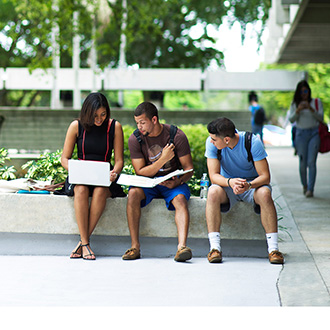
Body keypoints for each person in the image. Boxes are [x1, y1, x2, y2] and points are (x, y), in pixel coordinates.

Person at [204, 117, 284, 264]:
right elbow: (214, 176)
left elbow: (265, 177)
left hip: (251, 186)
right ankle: (214, 249)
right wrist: (230, 182)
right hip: (227, 186)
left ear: (226, 139)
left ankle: (273, 250)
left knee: (265, 194)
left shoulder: (252, 142)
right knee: (213, 192)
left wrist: (248, 185)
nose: (211, 142)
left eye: (214, 139)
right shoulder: (212, 144)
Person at [122, 101, 194, 262]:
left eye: (142, 122)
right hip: (148, 183)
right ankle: (135, 247)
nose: (139, 127)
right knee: (133, 193)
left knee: (181, 200)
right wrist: (162, 160)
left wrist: (178, 181)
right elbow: (140, 171)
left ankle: (182, 247)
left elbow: (189, 168)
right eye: (137, 123)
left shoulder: (176, 135)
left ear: (154, 120)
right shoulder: (136, 139)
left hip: (172, 183)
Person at [61, 92, 125, 260]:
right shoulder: (76, 126)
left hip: (104, 177)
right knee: (80, 190)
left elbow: (119, 160)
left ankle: (83, 243)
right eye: (95, 115)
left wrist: (115, 172)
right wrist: (74, 170)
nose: (99, 119)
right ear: (87, 112)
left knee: (100, 191)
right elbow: (64, 158)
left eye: (103, 114)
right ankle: (85, 244)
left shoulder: (114, 127)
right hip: (81, 175)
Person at [289, 80, 323, 198]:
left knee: (311, 162)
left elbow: (321, 117)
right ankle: (304, 185)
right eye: (302, 91)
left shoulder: (316, 102)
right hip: (300, 134)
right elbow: (291, 119)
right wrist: (298, 110)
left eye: (306, 91)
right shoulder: (294, 104)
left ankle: (310, 189)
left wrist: (311, 109)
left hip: (314, 133)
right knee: (303, 163)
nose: (304, 94)